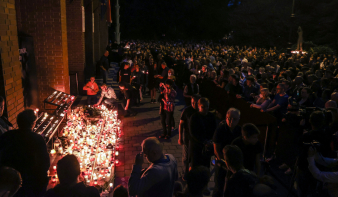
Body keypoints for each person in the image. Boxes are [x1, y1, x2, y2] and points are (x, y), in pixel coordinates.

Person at [0, 109, 50, 197]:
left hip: (10, 184)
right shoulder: (37, 139)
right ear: (33, 123)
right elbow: (45, 164)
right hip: (31, 183)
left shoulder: (7, 136)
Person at [212, 108, 241, 197]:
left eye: (234, 119)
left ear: (238, 120)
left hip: (234, 164)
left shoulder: (239, 130)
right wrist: (224, 161)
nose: (231, 121)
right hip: (222, 163)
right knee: (218, 187)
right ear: (226, 117)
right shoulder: (220, 129)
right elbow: (216, 149)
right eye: (229, 118)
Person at [189, 98, 217, 168]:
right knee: (195, 166)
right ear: (198, 106)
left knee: (206, 165)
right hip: (196, 146)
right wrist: (204, 141)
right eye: (203, 107)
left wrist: (210, 140)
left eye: (207, 106)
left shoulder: (211, 116)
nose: (205, 109)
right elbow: (193, 133)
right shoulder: (194, 117)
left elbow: (214, 129)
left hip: (207, 146)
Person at [178, 94, 201, 180]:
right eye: (193, 102)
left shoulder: (200, 110)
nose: (194, 104)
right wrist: (180, 137)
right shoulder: (186, 111)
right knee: (186, 156)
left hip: (197, 137)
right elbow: (181, 124)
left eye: (196, 103)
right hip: (187, 136)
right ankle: (185, 173)